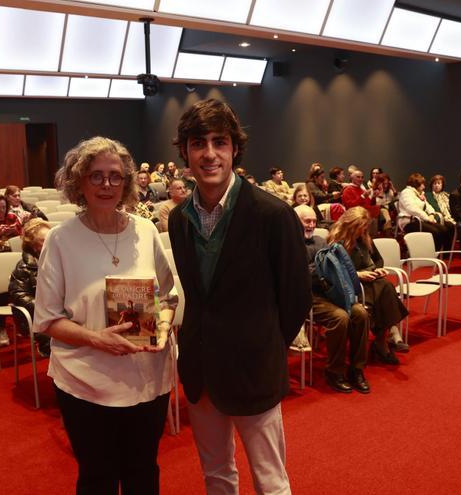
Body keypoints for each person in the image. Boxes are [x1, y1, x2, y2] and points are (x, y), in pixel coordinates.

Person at [168, 98, 311, 494]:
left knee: (271, 481)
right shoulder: (179, 219)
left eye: (220, 142)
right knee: (216, 476)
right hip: (201, 367)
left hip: (254, 368)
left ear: (234, 149)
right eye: (198, 143)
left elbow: (296, 298)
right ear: (185, 152)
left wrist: (260, 343)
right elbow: (199, 296)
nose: (209, 153)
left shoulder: (273, 214)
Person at [33, 136, 175, 494]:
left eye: (115, 176)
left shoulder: (145, 231)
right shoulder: (60, 239)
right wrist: (98, 339)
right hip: (87, 382)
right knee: (98, 477)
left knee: (143, 473)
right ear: (79, 181)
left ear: (127, 182)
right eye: (96, 176)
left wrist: (161, 326)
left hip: (147, 379)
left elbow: (169, 295)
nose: (107, 184)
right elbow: (47, 319)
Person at [296, 205, 370, 394]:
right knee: (340, 317)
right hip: (306, 297)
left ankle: (356, 369)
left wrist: (321, 268)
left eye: (314, 221)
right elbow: (297, 276)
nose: (312, 225)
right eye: (307, 221)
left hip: (329, 292)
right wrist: (321, 267)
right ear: (296, 222)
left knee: (360, 313)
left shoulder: (320, 241)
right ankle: (334, 371)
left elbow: (334, 269)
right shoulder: (289, 243)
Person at [330, 207, 410, 361]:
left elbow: (378, 260)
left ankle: (384, 340)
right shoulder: (336, 241)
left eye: (365, 227)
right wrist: (358, 275)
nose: (363, 231)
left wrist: (377, 270)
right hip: (349, 285)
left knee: (384, 286)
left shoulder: (364, 238)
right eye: (360, 227)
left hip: (370, 282)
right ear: (350, 225)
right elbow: (334, 269)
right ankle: (386, 339)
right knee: (385, 289)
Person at [9, 218, 52, 357]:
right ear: (33, 246)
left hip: (60, 313)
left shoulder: (59, 260)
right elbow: (19, 296)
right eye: (44, 240)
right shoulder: (23, 267)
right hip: (37, 317)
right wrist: (46, 309)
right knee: (65, 338)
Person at [397, 173, 454, 252]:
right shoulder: (406, 193)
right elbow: (412, 209)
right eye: (422, 184)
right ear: (416, 184)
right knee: (435, 232)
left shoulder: (419, 194)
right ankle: (433, 254)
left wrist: (431, 214)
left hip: (422, 220)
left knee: (444, 229)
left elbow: (428, 206)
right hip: (409, 222)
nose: (424, 186)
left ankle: (444, 254)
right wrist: (427, 218)